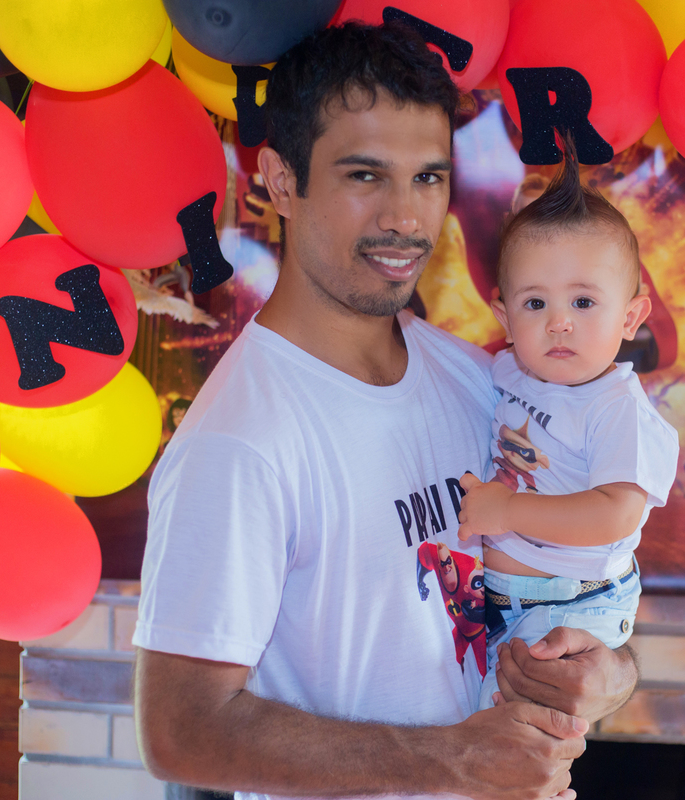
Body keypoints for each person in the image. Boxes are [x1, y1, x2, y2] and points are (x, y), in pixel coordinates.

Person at [131, 22, 640, 800]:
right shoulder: (238, 442)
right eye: (365, 175)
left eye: (429, 178)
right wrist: (449, 760)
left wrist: (605, 674)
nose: (406, 217)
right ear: (280, 179)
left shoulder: (478, 378)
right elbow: (179, 733)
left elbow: (589, 587)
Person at [455, 146, 679, 711]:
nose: (559, 321)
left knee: (511, 732)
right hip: (506, 599)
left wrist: (505, 513)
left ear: (630, 318)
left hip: (569, 605)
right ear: (504, 318)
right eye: (535, 302)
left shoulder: (615, 406)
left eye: (583, 301)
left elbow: (615, 513)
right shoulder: (507, 371)